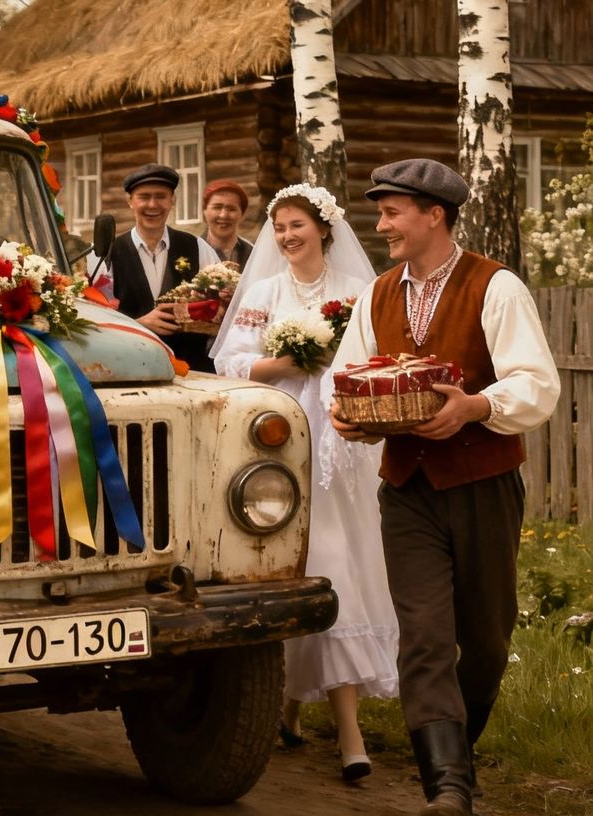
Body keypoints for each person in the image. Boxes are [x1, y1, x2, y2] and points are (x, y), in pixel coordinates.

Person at [329, 159, 560, 815]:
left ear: (435, 215)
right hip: (408, 488)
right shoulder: (378, 294)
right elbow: (349, 374)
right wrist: (349, 416)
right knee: (426, 637)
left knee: (486, 642)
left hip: (484, 483)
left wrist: (475, 407)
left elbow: (536, 383)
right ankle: (447, 787)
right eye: (381, 213)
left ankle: (459, 756)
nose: (381, 225)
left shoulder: (496, 286)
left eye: (392, 212)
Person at [211, 185, 399, 783]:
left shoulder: (359, 291)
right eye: (280, 227)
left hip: (343, 445)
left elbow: (379, 360)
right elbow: (230, 361)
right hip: (280, 444)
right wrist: (290, 363)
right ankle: (318, 719)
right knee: (301, 567)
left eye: (297, 225)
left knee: (337, 564)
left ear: (323, 229)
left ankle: (327, 724)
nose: (288, 236)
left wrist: (341, 366)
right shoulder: (264, 293)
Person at [95, 163, 221, 372]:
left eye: (161, 196)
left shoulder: (197, 247)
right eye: (144, 197)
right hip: (129, 371)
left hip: (193, 371)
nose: (153, 204)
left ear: (172, 200)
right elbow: (98, 320)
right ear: (130, 202)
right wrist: (139, 323)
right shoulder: (107, 254)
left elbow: (220, 302)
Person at [202, 179, 254, 268]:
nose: (223, 215)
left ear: (242, 214)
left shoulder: (253, 253)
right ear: (204, 211)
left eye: (231, 209)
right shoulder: (193, 250)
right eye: (217, 207)